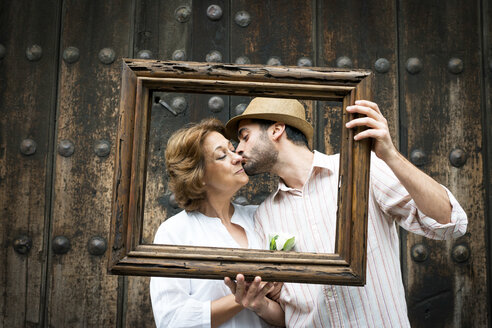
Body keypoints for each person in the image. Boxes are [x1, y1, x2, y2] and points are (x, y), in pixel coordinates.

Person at [223, 97, 468, 327]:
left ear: (276, 130)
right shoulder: (265, 216)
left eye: (245, 137)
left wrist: (390, 155)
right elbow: (289, 314)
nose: (238, 149)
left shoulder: (361, 171)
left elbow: (449, 222)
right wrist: (260, 305)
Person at [149, 118, 285, 328]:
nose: (237, 157)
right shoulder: (174, 233)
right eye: (222, 155)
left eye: (233, 149)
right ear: (198, 175)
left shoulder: (260, 217)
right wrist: (241, 298)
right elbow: (171, 321)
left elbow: (291, 309)